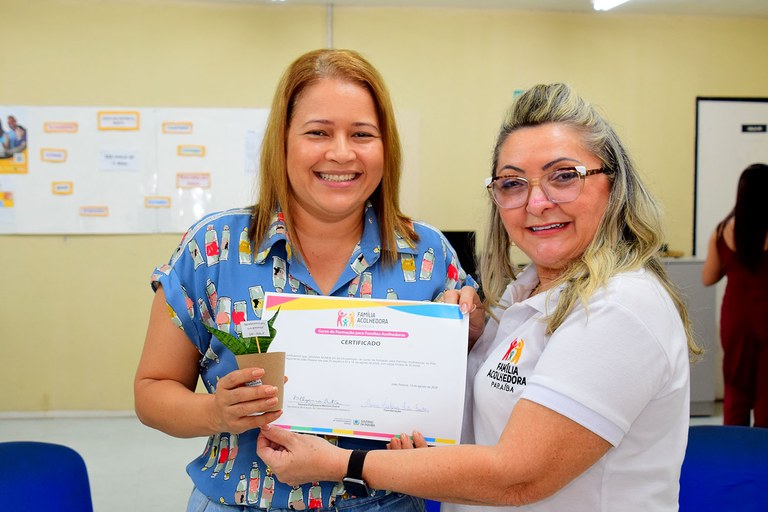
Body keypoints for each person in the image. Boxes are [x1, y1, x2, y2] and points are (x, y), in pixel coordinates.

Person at [256, 83, 703, 512]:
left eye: (564, 176)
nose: (537, 202)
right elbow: (488, 423)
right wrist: (464, 343)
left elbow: (519, 476)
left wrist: (341, 464)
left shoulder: (620, 306)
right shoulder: (523, 294)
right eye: (512, 183)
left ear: (614, 183)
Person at [134, 48, 481, 512]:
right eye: (318, 132)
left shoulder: (429, 253)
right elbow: (152, 391)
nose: (341, 152)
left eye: (362, 134)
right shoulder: (212, 248)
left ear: (386, 147)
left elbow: (469, 389)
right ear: (282, 142)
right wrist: (213, 412)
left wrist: (469, 326)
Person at [701, 163, 768, 427]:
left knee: (736, 387)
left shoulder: (722, 231)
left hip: (737, 320)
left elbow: (708, 278)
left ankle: (734, 454)